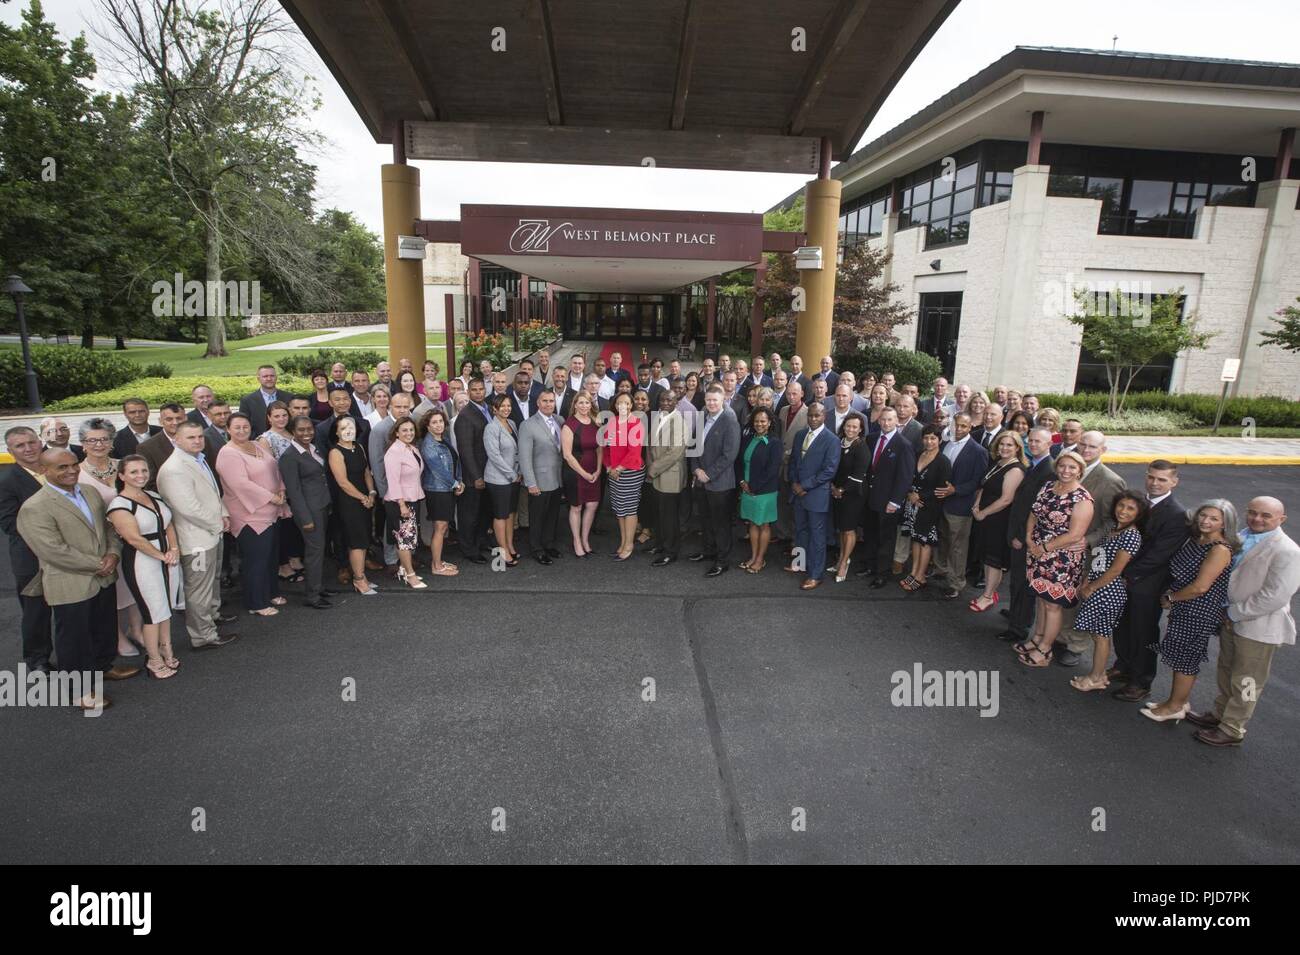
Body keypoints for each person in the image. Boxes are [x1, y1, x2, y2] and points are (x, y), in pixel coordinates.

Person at [17, 449, 134, 710]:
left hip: (104, 575)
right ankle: (79, 691)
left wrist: (113, 554)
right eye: (61, 467)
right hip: (70, 582)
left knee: (103, 627)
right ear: (45, 471)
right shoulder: (35, 507)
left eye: (73, 465)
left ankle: (103, 667)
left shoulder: (89, 492)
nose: (70, 471)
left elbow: (108, 528)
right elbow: (52, 550)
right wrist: (98, 564)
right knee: (73, 639)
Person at [1189, 496, 1299, 746]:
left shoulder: (1287, 550)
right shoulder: (1241, 535)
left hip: (1257, 628)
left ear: (1281, 519)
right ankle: (1220, 714)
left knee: (1248, 680)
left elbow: (1276, 595)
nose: (1257, 519)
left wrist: (1234, 612)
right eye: (1253, 512)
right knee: (1226, 670)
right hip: (1231, 621)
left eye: (1265, 516)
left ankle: (1232, 728)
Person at [1139, 501, 1238, 722]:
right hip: (1184, 607)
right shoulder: (1198, 540)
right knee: (1179, 656)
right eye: (1203, 515)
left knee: (1185, 660)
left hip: (1198, 611)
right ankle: (1175, 701)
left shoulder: (1219, 549)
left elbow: (1200, 587)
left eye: (1214, 518)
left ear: (1225, 523)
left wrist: (1170, 597)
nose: (1206, 521)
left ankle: (1174, 706)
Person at [156, 422, 239, 650]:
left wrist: (223, 515)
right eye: (191, 437)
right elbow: (188, 508)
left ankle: (212, 616)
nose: (197, 441)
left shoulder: (197, 460)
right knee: (199, 588)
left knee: (211, 581)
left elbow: (213, 493)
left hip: (212, 534)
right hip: (197, 542)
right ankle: (203, 636)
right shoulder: (174, 468)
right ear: (177, 440)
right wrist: (216, 524)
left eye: (200, 436)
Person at [1110, 460, 1188, 703]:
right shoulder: (1138, 504)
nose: (1155, 483)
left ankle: (1141, 682)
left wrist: (1125, 573)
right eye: (1151, 477)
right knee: (1122, 625)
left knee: (1143, 632)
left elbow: (1160, 554)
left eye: (1162, 479)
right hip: (1124, 577)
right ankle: (1123, 666)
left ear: (1174, 482)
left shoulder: (1177, 514)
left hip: (1148, 583)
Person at [106, 454, 185, 677]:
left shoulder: (152, 495)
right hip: (143, 563)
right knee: (153, 612)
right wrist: (162, 556)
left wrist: (174, 549)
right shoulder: (119, 505)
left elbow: (167, 524)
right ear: (122, 475)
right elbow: (134, 539)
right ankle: (153, 660)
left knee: (166, 608)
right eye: (133, 472)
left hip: (168, 558)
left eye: (143, 470)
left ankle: (166, 648)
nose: (140, 475)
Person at [1015, 451, 1095, 668]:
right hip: (1037, 552)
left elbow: (1075, 535)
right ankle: (1037, 638)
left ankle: (1045, 649)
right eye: (1062, 466)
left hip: (1061, 560)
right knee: (1041, 599)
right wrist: (1030, 539)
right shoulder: (1048, 487)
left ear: (1080, 470)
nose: (1066, 471)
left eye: (1071, 467)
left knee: (1053, 605)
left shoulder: (1082, 499)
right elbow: (1034, 513)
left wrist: (1043, 547)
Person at [77, 418, 148, 660]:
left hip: (134, 537)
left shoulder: (124, 466)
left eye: (104, 439)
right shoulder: (76, 474)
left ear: (112, 441)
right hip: (102, 543)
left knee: (136, 584)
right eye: (92, 440)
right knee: (113, 591)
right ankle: (117, 636)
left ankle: (137, 630)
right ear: (83, 444)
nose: (99, 444)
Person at [1056, 430, 1127, 666]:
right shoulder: (1068, 469)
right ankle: (1062, 635)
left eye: (1092, 447)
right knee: (1065, 593)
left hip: (1088, 550)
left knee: (1082, 596)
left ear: (1103, 450)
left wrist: (1088, 540)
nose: (1085, 450)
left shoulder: (1111, 481)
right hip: (1061, 546)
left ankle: (1076, 644)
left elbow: (1113, 520)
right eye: (1082, 445)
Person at [1069, 492, 1147, 692]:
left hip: (1108, 592)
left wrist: (1091, 587)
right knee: (1097, 635)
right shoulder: (1113, 528)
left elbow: (1115, 570)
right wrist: (1087, 580)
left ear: (1139, 513)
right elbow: (1099, 557)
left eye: (1130, 508)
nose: (1123, 511)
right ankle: (1098, 674)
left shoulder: (1131, 535)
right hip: (1096, 585)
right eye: (1121, 505)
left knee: (1101, 635)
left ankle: (1096, 678)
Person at [215, 412, 289, 617]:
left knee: (271, 557)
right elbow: (240, 484)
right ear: (228, 429)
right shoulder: (228, 453)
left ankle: (271, 592)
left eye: (245, 426)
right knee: (256, 559)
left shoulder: (256, 445)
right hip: (249, 514)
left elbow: (275, 468)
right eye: (236, 427)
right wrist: (271, 497)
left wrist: (281, 489)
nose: (241, 430)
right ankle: (256, 602)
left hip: (273, 510)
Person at [996, 428, 1060, 644]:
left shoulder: (1049, 471)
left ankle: (1019, 628)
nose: (1032, 444)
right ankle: (1016, 615)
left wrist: (1021, 536)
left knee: (1023, 584)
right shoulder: (1034, 465)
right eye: (1030, 441)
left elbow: (1037, 510)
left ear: (1049, 444)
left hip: (1026, 538)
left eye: (1038, 441)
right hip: (1018, 533)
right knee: (1016, 582)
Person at [1, 427, 54, 672]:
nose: (28, 448)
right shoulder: (7, 482)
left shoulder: (57, 468)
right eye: (20, 446)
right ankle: (38, 660)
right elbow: (10, 524)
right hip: (30, 556)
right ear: (10, 451)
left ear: (40, 441)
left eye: (31, 442)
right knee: (36, 612)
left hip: (70, 552)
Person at [278, 416, 335, 609]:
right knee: (314, 552)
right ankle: (312, 595)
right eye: (301, 430)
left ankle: (318, 587)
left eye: (309, 429)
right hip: (309, 511)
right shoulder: (289, 456)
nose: (306, 433)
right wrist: (305, 518)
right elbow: (294, 492)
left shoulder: (313, 448)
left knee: (319, 550)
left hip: (322, 505)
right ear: (293, 431)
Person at [932, 412, 989, 600]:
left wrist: (955, 490)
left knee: (958, 546)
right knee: (942, 538)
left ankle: (956, 582)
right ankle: (940, 569)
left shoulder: (978, 451)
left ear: (970, 427)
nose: (959, 429)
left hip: (960, 505)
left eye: (964, 426)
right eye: (957, 425)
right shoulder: (946, 444)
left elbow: (977, 482)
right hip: (941, 502)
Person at [969, 432, 1027, 612]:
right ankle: (988, 591)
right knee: (986, 557)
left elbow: (1006, 499)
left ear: (1017, 448)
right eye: (1002, 444)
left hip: (999, 519)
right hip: (985, 517)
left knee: (994, 560)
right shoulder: (998, 463)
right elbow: (984, 487)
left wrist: (983, 513)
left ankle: (988, 596)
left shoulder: (1015, 469)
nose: (1004, 448)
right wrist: (976, 507)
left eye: (1009, 445)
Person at [858, 408, 916, 588]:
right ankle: (869, 565)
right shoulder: (871, 438)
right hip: (870, 498)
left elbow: (905, 477)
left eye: (890, 420)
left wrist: (895, 501)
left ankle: (882, 573)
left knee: (886, 539)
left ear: (897, 421)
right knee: (870, 533)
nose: (886, 423)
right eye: (883, 420)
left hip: (888, 501)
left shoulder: (903, 445)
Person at [690, 384, 741, 578]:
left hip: (720, 483)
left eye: (715, 400)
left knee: (721, 523)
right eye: (709, 400)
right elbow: (693, 445)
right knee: (706, 519)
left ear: (723, 401)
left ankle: (722, 560)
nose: (711, 403)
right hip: (701, 479)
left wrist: (708, 474)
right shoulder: (702, 416)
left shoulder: (730, 421)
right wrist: (695, 469)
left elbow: (729, 455)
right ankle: (709, 550)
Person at [326, 417, 379, 595]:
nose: (348, 430)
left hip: (365, 499)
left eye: (351, 427)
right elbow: (342, 482)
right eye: (343, 427)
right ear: (336, 431)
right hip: (349, 501)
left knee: (364, 538)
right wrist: (362, 497)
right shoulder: (336, 452)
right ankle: (358, 579)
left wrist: (371, 493)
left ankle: (362, 575)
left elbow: (366, 472)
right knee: (357, 541)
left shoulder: (359, 447)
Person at [898, 424, 952, 592]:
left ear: (939, 440)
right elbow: (906, 477)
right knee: (915, 538)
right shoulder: (917, 454)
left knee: (924, 541)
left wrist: (919, 496)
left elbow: (941, 488)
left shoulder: (943, 461)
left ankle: (921, 576)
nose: (929, 441)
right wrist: (909, 494)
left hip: (929, 505)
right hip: (912, 504)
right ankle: (913, 572)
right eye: (926, 438)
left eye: (933, 438)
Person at [517, 392, 563, 566]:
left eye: (551, 401)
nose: (548, 404)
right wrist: (531, 483)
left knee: (552, 515)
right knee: (537, 517)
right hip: (539, 481)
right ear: (537, 403)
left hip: (557, 479)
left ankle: (549, 544)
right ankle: (537, 549)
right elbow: (524, 457)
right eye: (545, 401)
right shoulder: (527, 425)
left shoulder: (560, 420)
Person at [383, 416, 428, 588]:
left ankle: (403, 569)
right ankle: (410, 575)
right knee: (404, 540)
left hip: (413, 498)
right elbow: (393, 481)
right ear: (396, 433)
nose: (409, 433)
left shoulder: (412, 448)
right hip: (400, 502)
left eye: (411, 430)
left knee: (408, 539)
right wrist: (402, 505)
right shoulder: (394, 452)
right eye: (404, 430)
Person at [646, 389, 689, 567]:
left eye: (669, 401)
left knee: (670, 517)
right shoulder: (659, 416)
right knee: (660, 515)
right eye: (663, 400)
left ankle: (670, 552)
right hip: (656, 474)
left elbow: (675, 453)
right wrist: (651, 466)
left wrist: (652, 469)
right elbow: (650, 443)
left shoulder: (679, 422)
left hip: (670, 476)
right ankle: (660, 545)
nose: (665, 403)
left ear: (676, 403)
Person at [738, 407, 782, 574]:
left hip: (765, 491)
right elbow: (740, 463)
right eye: (756, 421)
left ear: (769, 422)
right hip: (747, 488)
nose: (759, 424)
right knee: (752, 523)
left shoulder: (774, 443)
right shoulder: (749, 439)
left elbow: (772, 470)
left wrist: (754, 487)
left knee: (763, 524)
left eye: (763, 421)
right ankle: (753, 556)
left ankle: (760, 559)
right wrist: (742, 481)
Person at [454, 378, 492, 564]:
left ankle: (481, 541)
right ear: (468, 392)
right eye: (474, 390)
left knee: (484, 512)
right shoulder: (465, 416)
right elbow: (465, 450)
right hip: (473, 476)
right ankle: (469, 549)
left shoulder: (489, 408)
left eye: (481, 389)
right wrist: (476, 476)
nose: (478, 392)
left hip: (489, 472)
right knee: (470, 515)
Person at [829, 413, 870, 583]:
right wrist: (832, 486)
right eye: (848, 426)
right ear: (843, 426)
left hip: (853, 494)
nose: (851, 429)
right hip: (837, 492)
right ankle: (839, 559)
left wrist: (841, 490)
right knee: (841, 527)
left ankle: (845, 562)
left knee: (849, 529)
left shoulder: (862, 448)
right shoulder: (838, 443)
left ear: (860, 429)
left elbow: (858, 476)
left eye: (855, 427)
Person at [562, 391, 603, 558]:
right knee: (577, 507)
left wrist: (599, 469)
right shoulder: (569, 425)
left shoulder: (595, 423)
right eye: (581, 403)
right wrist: (585, 474)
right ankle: (576, 541)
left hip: (594, 469)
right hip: (576, 471)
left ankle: (585, 539)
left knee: (592, 505)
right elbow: (567, 454)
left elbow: (600, 448)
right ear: (575, 405)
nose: (584, 406)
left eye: (587, 403)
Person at [604, 391, 645, 562]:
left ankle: (629, 545)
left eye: (627, 403)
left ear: (631, 406)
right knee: (620, 510)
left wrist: (618, 468)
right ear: (615, 405)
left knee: (629, 510)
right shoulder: (611, 423)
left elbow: (634, 452)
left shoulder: (636, 424)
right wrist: (608, 467)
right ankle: (623, 542)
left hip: (630, 472)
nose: (623, 406)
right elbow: (605, 447)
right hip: (613, 472)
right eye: (620, 403)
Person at [483, 393, 522, 567]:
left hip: (514, 477)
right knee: (500, 515)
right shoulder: (491, 428)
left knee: (510, 513)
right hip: (498, 479)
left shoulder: (512, 424)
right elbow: (494, 456)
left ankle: (510, 544)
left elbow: (516, 451)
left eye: (508, 405)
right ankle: (502, 550)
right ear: (494, 409)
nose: (506, 409)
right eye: (502, 406)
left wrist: (518, 471)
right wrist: (512, 474)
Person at [137, 404, 189, 489]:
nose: (175, 423)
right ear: (161, 421)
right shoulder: (147, 448)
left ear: (186, 418)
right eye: (169, 419)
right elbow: (150, 482)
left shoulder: (200, 440)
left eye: (179, 418)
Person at [238, 365, 294, 436]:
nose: (269, 379)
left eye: (272, 376)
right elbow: (244, 424)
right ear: (258, 379)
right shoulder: (247, 401)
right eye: (265, 376)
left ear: (276, 377)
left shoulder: (289, 397)